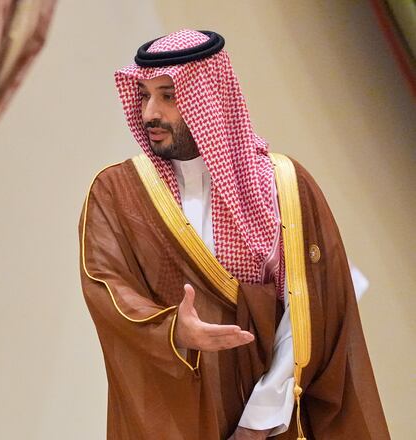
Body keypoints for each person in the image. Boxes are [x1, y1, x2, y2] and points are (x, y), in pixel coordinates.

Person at [79, 29, 389, 439]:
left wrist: (258, 419)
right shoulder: (118, 192)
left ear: (209, 98)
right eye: (143, 95)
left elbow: (309, 307)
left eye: (168, 95)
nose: (150, 112)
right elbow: (106, 285)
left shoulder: (283, 186)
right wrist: (173, 329)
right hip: (174, 413)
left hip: (268, 417)